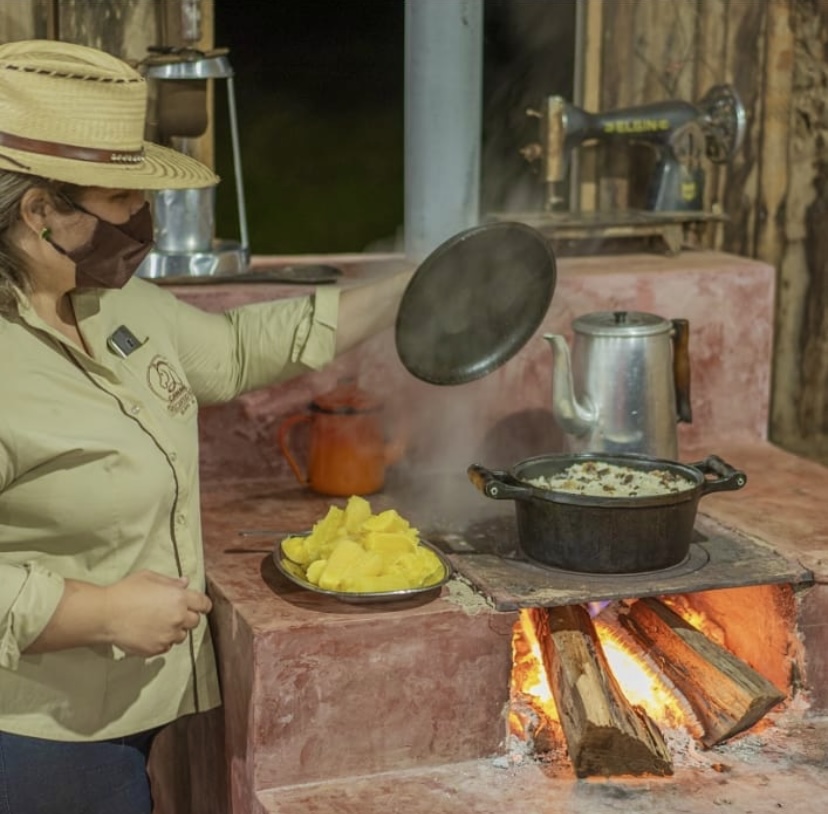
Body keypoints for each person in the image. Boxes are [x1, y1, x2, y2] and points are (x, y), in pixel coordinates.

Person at [0, 39, 413, 814]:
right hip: (39, 740)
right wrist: (102, 611)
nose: (142, 219)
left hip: (134, 711)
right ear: (39, 210)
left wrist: (410, 287)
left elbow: (232, 350)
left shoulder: (108, 299)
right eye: (120, 200)